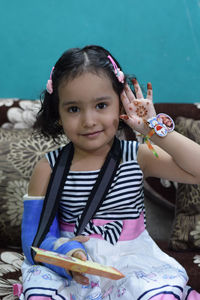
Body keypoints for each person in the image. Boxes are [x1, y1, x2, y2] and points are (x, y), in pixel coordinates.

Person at [20, 45, 200, 300]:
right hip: (70, 263)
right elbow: (34, 238)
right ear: (57, 113)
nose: (89, 120)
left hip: (132, 263)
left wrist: (152, 128)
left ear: (121, 103)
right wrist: (69, 255)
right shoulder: (48, 167)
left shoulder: (136, 156)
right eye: (73, 109)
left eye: (101, 105)